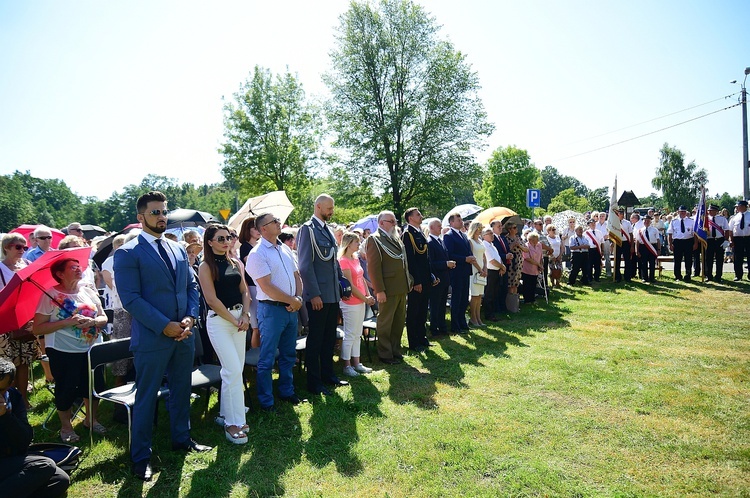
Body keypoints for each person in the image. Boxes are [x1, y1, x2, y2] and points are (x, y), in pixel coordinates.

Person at [114, 191, 210, 482]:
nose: (161, 217)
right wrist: (163, 325)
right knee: (146, 397)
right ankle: (141, 456)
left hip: (184, 335)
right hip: (153, 339)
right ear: (140, 217)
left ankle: (182, 439)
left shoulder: (178, 249)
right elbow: (131, 299)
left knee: (182, 390)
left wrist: (190, 318)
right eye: (155, 212)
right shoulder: (128, 252)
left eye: (163, 212)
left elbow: (191, 288)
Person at [34, 257, 108, 444]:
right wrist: (66, 322)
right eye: (73, 267)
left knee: (94, 386)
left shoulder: (88, 291)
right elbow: (38, 329)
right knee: (66, 389)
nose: (78, 269)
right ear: (59, 274)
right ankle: (66, 427)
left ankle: (91, 420)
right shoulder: (49, 296)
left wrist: (93, 322)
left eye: (79, 266)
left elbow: (103, 317)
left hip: (92, 349)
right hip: (63, 350)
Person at [245, 212, 305, 410]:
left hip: (290, 309)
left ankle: (287, 391)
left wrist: (297, 299)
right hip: (271, 311)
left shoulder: (285, 249)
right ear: (263, 229)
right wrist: (293, 301)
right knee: (267, 357)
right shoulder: (257, 254)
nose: (280, 223)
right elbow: (267, 286)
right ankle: (266, 400)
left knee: (288, 354)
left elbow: (297, 276)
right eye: (275, 221)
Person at [198, 224, 251, 445]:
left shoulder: (235, 262)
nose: (226, 242)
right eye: (220, 239)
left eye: (228, 237)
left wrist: (245, 315)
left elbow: (245, 290)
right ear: (209, 242)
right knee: (231, 371)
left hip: (239, 319)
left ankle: (224, 414)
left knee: (236, 370)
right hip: (220, 322)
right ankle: (234, 422)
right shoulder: (205, 266)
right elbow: (211, 300)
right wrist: (234, 320)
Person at [297, 194, 348, 396]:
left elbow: (333, 262)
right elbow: (305, 265)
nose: (331, 211)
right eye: (329, 208)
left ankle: (329, 375)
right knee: (316, 340)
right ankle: (314, 382)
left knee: (329, 338)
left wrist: (342, 284)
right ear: (318, 207)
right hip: (319, 295)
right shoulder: (307, 230)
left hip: (332, 293)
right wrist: (314, 294)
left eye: (332, 208)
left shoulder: (326, 229)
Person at [0, 358, 70, 498]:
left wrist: (5, 417)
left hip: (10, 460)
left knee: (59, 479)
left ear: (10, 385)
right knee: (44, 465)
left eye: (1, 389)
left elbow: (24, 440)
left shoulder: (13, 397)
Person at [365, 211, 412, 364]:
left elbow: (403, 262)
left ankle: (395, 349)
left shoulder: (395, 237)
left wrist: (408, 281)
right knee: (386, 322)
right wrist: (379, 290)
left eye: (395, 221)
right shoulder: (375, 239)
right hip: (387, 288)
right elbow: (373, 268)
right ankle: (385, 353)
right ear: (381, 223)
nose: (394, 223)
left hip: (400, 286)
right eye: (390, 221)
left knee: (398, 321)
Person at [0, 233, 40, 411]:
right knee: (6, 363)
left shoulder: (28, 266)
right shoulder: (0, 269)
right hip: (4, 321)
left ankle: (22, 399)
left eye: (25, 247)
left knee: (24, 361)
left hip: (25, 319)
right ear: (6, 247)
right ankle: (5, 399)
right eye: (18, 247)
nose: (22, 251)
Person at [338, 232, 375, 376]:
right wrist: (365, 299)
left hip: (361, 300)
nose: (359, 245)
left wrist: (367, 294)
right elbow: (350, 285)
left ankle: (357, 363)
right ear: (348, 244)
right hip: (351, 302)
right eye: (356, 242)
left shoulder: (355, 259)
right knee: (350, 333)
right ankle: (347, 365)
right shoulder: (343, 261)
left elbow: (362, 279)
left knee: (358, 333)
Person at [401, 208, 434, 352]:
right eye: (417, 214)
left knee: (422, 310)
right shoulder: (408, 234)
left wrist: (430, 275)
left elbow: (425, 259)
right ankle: (413, 342)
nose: (420, 216)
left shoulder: (419, 232)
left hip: (425, 278)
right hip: (417, 280)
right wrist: (416, 281)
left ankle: (422, 338)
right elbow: (410, 260)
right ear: (410, 218)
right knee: (414, 311)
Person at [443, 212, 474, 333]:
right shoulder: (449, 236)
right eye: (459, 220)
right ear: (451, 223)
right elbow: (449, 254)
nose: (461, 222)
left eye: (461, 220)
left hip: (465, 270)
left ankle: (462, 322)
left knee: (464, 298)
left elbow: (467, 250)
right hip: (456, 271)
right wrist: (464, 259)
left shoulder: (463, 235)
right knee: (457, 298)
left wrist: (470, 257)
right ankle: (455, 325)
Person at [426, 219, 455, 338]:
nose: (441, 228)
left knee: (442, 305)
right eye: (438, 226)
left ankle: (442, 327)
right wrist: (445, 264)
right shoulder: (430, 242)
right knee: (435, 305)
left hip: (444, 278)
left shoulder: (440, 240)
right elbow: (430, 264)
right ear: (431, 228)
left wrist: (449, 264)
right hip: (436, 280)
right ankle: (434, 329)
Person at [239, 216, 261, 349]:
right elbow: (253, 264)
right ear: (248, 230)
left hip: (261, 287)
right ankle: (256, 357)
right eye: (254, 228)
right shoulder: (245, 247)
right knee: (256, 327)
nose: (258, 230)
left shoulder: (259, 245)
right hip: (252, 288)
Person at [481, 227, 505, 320]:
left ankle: (492, 312)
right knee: (489, 294)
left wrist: (502, 266)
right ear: (484, 236)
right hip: (490, 272)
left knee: (494, 293)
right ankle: (488, 314)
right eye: (489, 233)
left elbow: (498, 257)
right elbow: (492, 260)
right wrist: (502, 266)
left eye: (492, 233)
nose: (492, 235)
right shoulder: (485, 245)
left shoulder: (493, 245)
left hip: (497, 271)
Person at [467, 222, 487, 327]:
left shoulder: (480, 241)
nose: (480, 230)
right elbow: (471, 257)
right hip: (474, 270)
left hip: (482, 270)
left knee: (479, 296)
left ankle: (478, 318)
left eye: (481, 228)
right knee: (474, 295)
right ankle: (473, 318)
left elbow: (484, 256)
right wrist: (480, 269)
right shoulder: (470, 241)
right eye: (479, 228)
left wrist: (484, 268)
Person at [667, 205, 695, 281]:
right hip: (677, 242)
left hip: (688, 241)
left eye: (684, 211)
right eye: (681, 211)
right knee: (677, 260)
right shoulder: (673, 221)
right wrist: (670, 244)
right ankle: (677, 276)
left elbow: (695, 233)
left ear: (686, 212)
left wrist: (695, 243)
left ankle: (688, 274)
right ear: (678, 212)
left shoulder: (691, 221)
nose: (682, 213)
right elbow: (670, 233)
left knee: (688, 259)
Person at [490, 220, 511, 313]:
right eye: (498, 226)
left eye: (501, 226)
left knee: (504, 288)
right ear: (493, 228)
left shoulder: (502, 238)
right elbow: (495, 254)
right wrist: (504, 256)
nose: (501, 227)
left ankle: (503, 306)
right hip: (497, 267)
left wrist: (509, 254)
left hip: (505, 265)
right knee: (497, 288)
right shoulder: (492, 239)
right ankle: (496, 308)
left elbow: (507, 249)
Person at [705, 204, 729, 282]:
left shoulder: (722, 219)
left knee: (719, 259)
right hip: (709, 240)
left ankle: (718, 276)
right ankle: (709, 276)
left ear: (716, 211)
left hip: (719, 240)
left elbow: (727, 230)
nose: (710, 212)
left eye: (712, 210)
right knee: (709, 259)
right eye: (709, 211)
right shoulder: (705, 219)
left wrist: (726, 240)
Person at [505, 224, 526, 309]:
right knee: (510, 282)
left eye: (516, 227)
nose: (516, 229)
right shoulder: (506, 238)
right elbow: (507, 249)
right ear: (509, 230)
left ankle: (515, 304)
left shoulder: (519, 238)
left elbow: (526, 249)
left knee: (516, 282)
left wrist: (519, 245)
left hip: (519, 261)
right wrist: (514, 244)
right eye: (514, 228)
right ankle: (510, 304)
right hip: (511, 262)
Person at [728, 199, 750, 281]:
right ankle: (738, 275)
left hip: (748, 238)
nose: (737, 208)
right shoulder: (734, 218)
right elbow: (730, 230)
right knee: (737, 258)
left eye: (739, 206)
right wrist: (731, 240)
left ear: (744, 207)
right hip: (738, 239)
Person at [635, 215, 661, 283]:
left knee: (652, 263)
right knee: (644, 263)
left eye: (648, 220)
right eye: (645, 220)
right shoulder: (639, 231)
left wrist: (658, 249)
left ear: (650, 221)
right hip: (643, 247)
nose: (646, 222)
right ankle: (644, 277)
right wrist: (637, 251)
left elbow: (658, 240)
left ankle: (652, 278)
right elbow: (637, 241)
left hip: (652, 247)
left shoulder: (655, 230)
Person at [613, 208, 634, 282]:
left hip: (625, 242)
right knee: (617, 260)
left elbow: (631, 234)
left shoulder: (627, 223)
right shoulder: (614, 223)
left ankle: (627, 277)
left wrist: (631, 246)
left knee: (627, 260)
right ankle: (617, 277)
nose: (621, 215)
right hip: (617, 242)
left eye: (622, 214)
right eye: (620, 214)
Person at [521, 232, 543, 304]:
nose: (537, 241)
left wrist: (541, 265)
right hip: (527, 268)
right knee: (527, 285)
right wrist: (538, 264)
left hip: (536, 269)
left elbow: (540, 256)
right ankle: (527, 300)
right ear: (530, 240)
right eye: (535, 240)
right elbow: (527, 258)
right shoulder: (526, 246)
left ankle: (532, 299)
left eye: (537, 239)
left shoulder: (539, 245)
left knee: (533, 284)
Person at [596, 212, 613, 277]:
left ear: (605, 217)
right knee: (597, 257)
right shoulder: (596, 224)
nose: (601, 217)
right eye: (600, 216)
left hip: (606, 242)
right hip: (598, 243)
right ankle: (598, 271)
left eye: (603, 216)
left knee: (607, 257)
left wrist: (608, 235)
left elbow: (611, 233)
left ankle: (608, 272)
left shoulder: (608, 224)